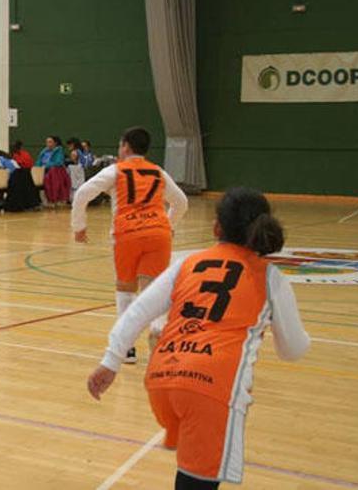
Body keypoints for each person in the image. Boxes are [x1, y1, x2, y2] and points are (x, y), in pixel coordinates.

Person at [87, 187, 310, 489]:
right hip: (212, 386)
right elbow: (293, 350)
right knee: (199, 478)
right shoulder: (272, 279)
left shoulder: (187, 263)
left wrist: (111, 361)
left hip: (163, 377)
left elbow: (137, 311)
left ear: (217, 228)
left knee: (192, 466)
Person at [71, 127, 188, 363]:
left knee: (125, 289)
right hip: (158, 233)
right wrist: (167, 224)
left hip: (128, 233)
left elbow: (82, 194)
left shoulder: (116, 171)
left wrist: (79, 226)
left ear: (125, 146)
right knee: (153, 289)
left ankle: (127, 348)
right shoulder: (158, 172)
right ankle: (157, 326)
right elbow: (182, 202)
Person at [36, 136, 69, 205]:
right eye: (47, 142)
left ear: (55, 143)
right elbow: (38, 162)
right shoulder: (44, 152)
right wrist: (38, 168)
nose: (48, 144)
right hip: (42, 170)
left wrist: (46, 166)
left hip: (54, 171)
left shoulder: (59, 151)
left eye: (50, 142)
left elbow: (58, 162)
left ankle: (54, 199)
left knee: (51, 173)